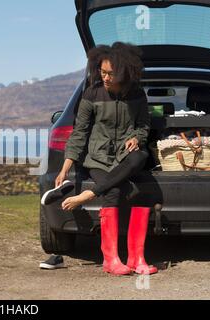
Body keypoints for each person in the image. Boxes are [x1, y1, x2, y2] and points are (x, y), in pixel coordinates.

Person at [56, 42, 157, 276]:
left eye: (111, 73)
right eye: (102, 72)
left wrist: (137, 138)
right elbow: (79, 132)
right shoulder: (92, 93)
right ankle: (111, 260)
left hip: (125, 157)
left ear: (124, 72)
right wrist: (65, 168)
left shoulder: (137, 93)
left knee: (140, 159)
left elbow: (143, 125)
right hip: (98, 158)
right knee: (116, 191)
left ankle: (136, 258)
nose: (106, 77)